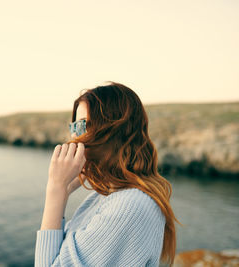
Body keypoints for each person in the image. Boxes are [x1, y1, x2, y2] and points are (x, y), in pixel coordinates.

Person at [35, 81, 182, 267]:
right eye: (73, 127)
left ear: (112, 130)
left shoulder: (128, 206)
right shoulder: (106, 196)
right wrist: (62, 192)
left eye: (82, 126)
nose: (74, 138)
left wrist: (55, 190)